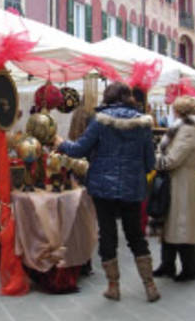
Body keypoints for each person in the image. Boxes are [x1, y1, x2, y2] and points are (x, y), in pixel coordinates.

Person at [55, 82, 160, 302]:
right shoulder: (143, 124)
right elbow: (150, 162)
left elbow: (79, 150)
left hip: (103, 187)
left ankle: (113, 286)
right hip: (133, 188)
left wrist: (61, 143)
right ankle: (150, 285)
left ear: (108, 97)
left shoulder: (100, 122)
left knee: (108, 235)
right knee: (135, 236)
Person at [153, 96, 195, 282]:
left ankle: (189, 268)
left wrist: (157, 158)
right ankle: (167, 264)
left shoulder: (188, 130)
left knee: (181, 226)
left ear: (181, 111)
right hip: (178, 181)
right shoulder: (187, 128)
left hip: (181, 181)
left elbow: (172, 160)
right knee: (171, 224)